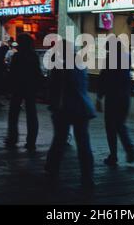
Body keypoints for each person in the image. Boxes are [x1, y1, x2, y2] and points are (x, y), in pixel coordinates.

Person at [45, 39, 96, 189]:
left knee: (59, 140)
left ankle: (52, 168)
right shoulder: (80, 64)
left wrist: (54, 105)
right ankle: (88, 176)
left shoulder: (60, 66)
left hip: (65, 108)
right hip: (82, 108)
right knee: (83, 144)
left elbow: (55, 88)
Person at [97, 39, 134, 166]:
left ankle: (113, 155)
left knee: (110, 127)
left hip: (112, 97)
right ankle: (129, 148)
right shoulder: (128, 57)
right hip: (125, 96)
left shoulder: (110, 59)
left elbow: (104, 78)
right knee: (120, 124)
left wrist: (99, 97)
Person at [5, 34, 43, 151]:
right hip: (30, 87)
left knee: (13, 114)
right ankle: (31, 141)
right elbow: (37, 72)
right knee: (32, 114)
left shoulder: (17, 56)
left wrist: (9, 87)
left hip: (18, 88)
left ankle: (13, 138)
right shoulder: (34, 56)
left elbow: (12, 73)